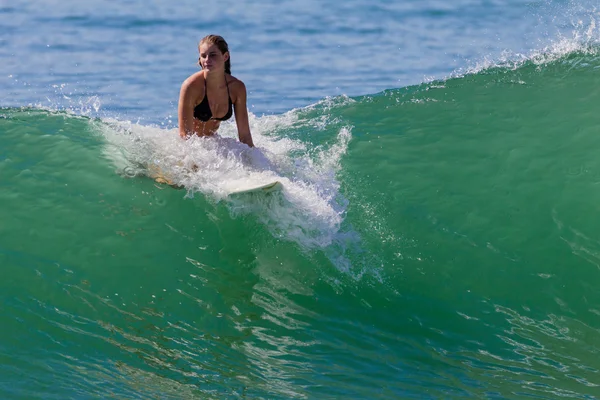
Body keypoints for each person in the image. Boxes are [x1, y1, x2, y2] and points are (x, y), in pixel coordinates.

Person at [178, 35, 254, 147]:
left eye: (213, 55)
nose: (207, 60)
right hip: (191, 147)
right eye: (203, 56)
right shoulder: (191, 86)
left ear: (225, 56)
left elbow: (245, 136)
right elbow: (185, 136)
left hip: (212, 145)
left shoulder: (237, 88)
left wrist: (256, 161)